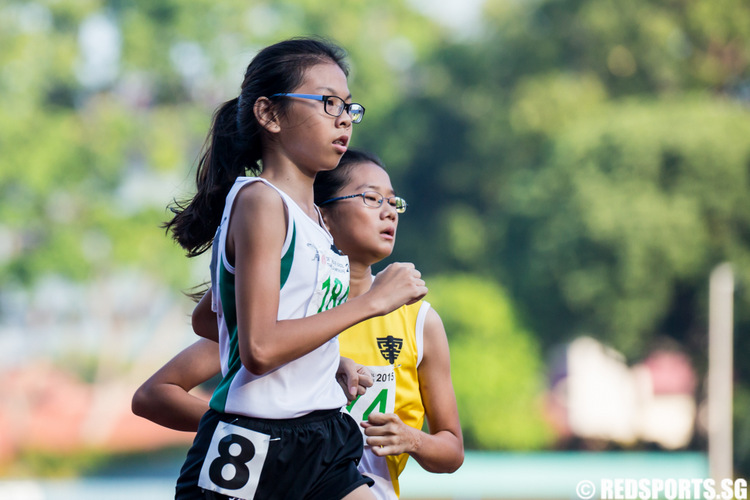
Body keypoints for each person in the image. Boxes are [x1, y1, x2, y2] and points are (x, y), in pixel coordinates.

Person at [162, 37, 427, 500]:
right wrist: (372, 303)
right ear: (269, 115)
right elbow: (259, 349)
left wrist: (330, 361)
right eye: (327, 103)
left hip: (321, 436)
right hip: (252, 443)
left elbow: (211, 319)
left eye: (349, 107)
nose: (344, 118)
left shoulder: (317, 222)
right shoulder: (261, 201)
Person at [134, 149, 464, 499]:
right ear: (320, 216)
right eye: (370, 198)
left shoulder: (418, 322)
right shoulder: (279, 319)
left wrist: (411, 438)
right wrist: (258, 432)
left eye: (392, 201)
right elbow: (154, 394)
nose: (388, 212)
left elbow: (452, 451)